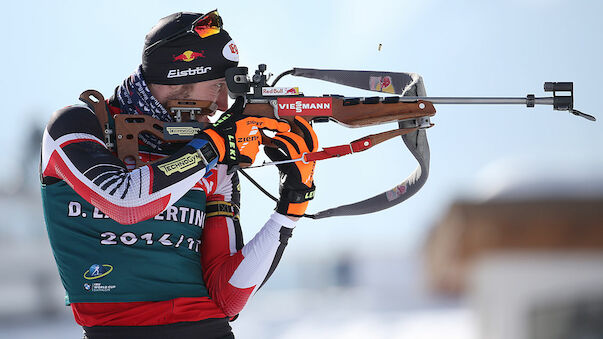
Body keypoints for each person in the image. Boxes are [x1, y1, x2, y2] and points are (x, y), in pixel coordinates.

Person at [40, 10, 318, 339]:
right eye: (218, 85)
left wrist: (291, 204)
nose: (222, 103)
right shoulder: (77, 127)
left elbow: (228, 299)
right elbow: (126, 203)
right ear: (179, 77)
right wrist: (213, 145)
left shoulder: (208, 151)